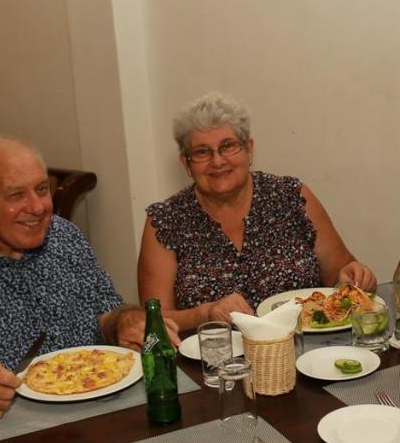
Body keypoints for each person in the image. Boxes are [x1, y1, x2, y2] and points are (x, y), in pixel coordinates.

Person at [0, 136, 174, 419]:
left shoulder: (65, 236)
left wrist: (124, 321)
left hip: (97, 397)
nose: (37, 207)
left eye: (41, 189)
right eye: (16, 195)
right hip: (10, 426)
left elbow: (106, 311)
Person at [138, 91, 376, 331]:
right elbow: (154, 320)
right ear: (185, 163)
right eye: (202, 152)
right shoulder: (165, 221)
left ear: (249, 150)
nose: (217, 161)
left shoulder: (292, 196)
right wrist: (204, 313)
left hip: (304, 352)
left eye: (228, 146)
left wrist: (353, 278)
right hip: (212, 360)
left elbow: (340, 275)